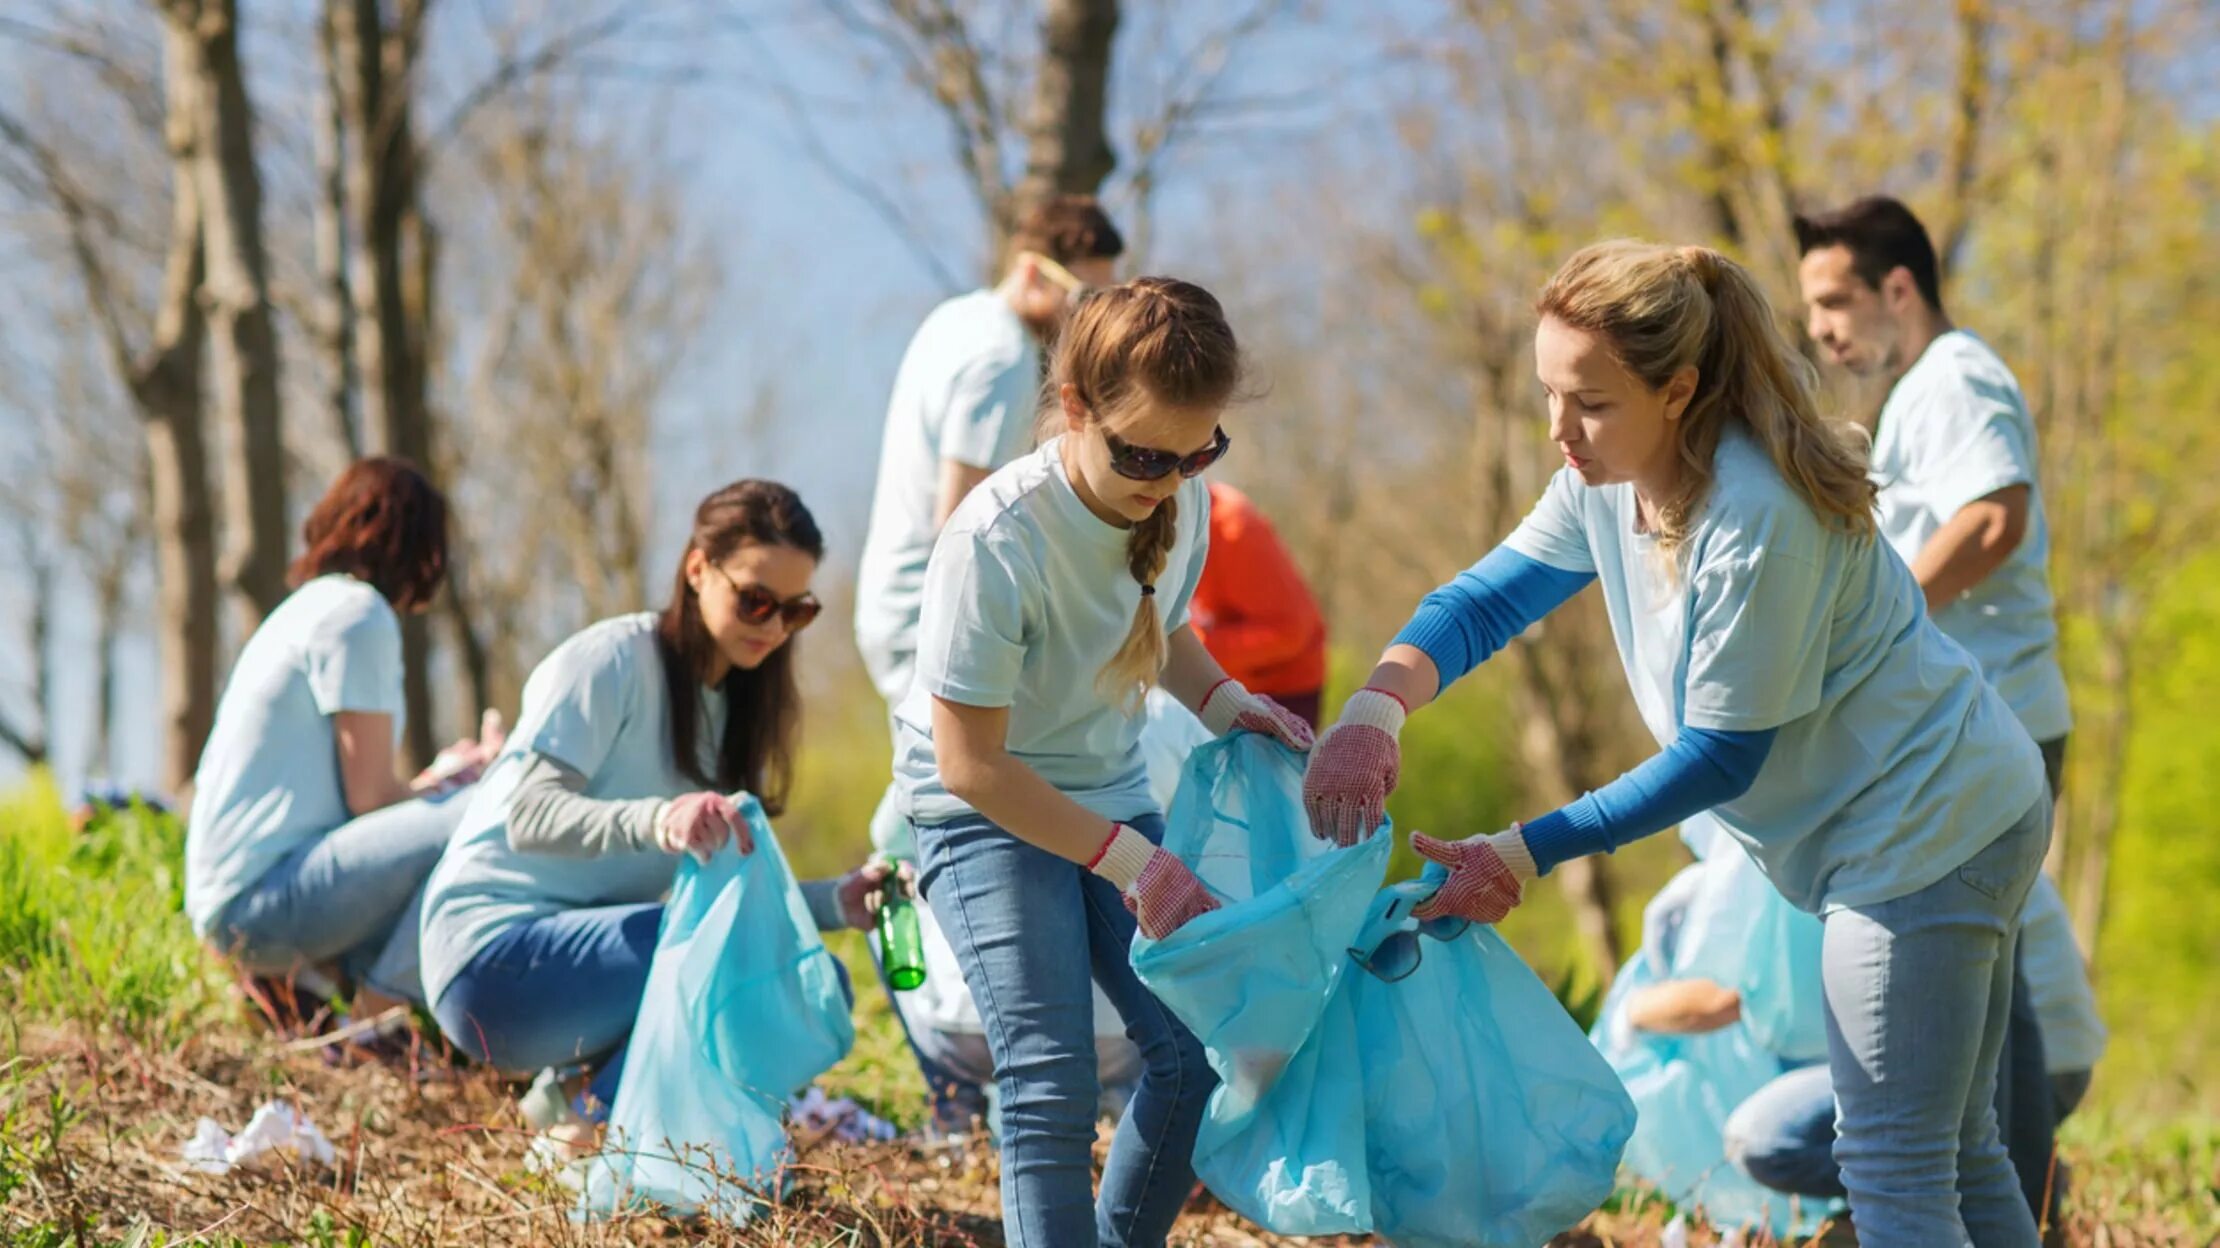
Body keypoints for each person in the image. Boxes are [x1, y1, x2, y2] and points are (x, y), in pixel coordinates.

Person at [1304, 240, 2051, 1247]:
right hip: (1955, 805)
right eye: (1550, 393)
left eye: (1593, 402)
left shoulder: (1755, 514)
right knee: (1956, 1153)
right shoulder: (1609, 475)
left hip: (1922, 833)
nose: (1562, 429)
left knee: (1893, 1166)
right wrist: (1374, 709)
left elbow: (1720, 757)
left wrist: (1519, 852)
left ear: (1679, 390)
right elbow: (1485, 602)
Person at [896, 277, 1314, 1246]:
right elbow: (969, 765)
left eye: (1196, 452)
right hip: (982, 813)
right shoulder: (997, 539)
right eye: (1142, 455)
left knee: (1190, 1049)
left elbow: (1158, 631)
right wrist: (1136, 862)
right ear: (1075, 408)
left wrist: (1229, 704)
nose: (1167, 479)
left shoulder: (1184, 503)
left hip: (1107, 791)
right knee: (1049, 1071)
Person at [417, 480, 891, 1153]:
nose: (773, 626)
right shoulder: (609, 661)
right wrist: (658, 819)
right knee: (753, 968)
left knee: (817, 979)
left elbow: (731, 897)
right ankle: (587, 1116)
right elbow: (526, 813)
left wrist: (832, 903)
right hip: (489, 962)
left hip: (581, 971)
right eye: (756, 600)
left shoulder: (732, 712)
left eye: (796, 611)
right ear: (698, 569)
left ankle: (573, 1103)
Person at [1796, 194, 2077, 1217]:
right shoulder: (1919, 393)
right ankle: (2020, 1212)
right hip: (1983, 738)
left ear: (1898, 288)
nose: (1823, 329)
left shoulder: (1956, 379)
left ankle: (2008, 1213)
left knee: (1979, 1012)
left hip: (1992, 732)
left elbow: (1995, 516)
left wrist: (1883, 621)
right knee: (1987, 1002)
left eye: (1836, 300)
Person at [852, 194, 1129, 1136]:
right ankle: (939, 1070)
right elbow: (962, 522)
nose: (1085, 323)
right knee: (920, 828)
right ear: (1034, 273)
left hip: (887, 606)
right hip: (927, 616)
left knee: (924, 821)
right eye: (1081, 299)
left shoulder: (953, 318)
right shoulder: (1003, 355)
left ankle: (943, 1057)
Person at [186, 458, 499, 1021]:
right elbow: (370, 800)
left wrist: (440, 778)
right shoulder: (359, 614)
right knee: (488, 811)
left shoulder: (304, 610)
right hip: (260, 903)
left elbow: (351, 801)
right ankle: (379, 1019)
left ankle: (301, 989)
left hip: (231, 902)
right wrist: (464, 787)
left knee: (462, 808)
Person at [1189, 481, 1327, 728]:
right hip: (1211, 688)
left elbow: (1289, 631)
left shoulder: (1234, 526)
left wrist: (1193, 649)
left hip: (1280, 694)